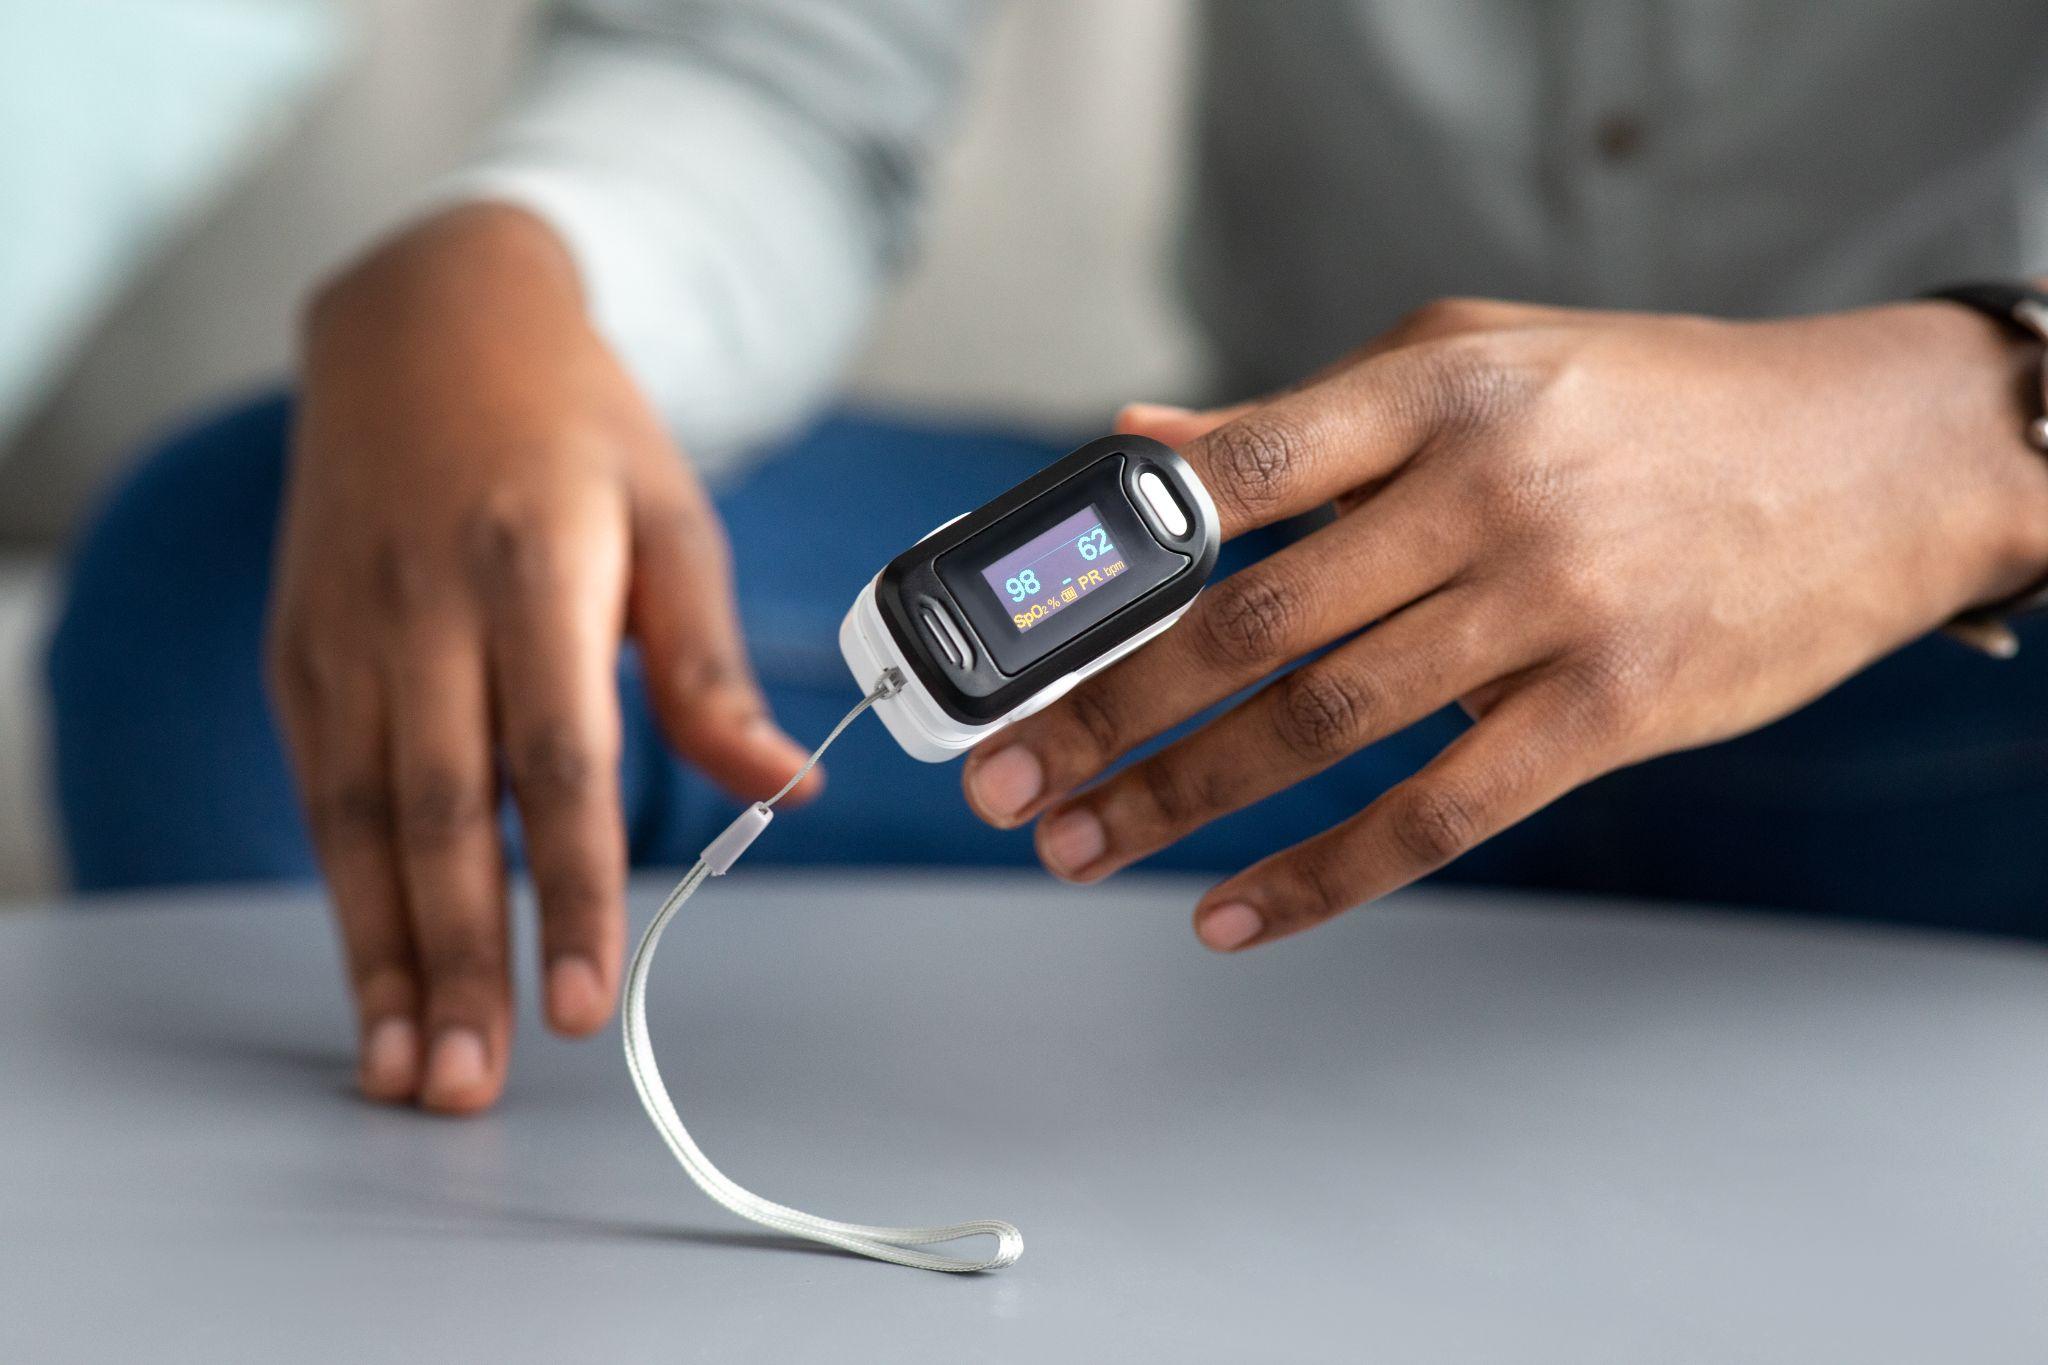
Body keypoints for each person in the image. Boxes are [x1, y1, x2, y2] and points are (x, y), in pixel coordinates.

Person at [46, 1, 2048, 1116]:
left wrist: (1967, 423)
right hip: (1288, 621)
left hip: (1987, 669)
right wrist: (513, 263)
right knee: (240, 583)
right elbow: (781, 68)